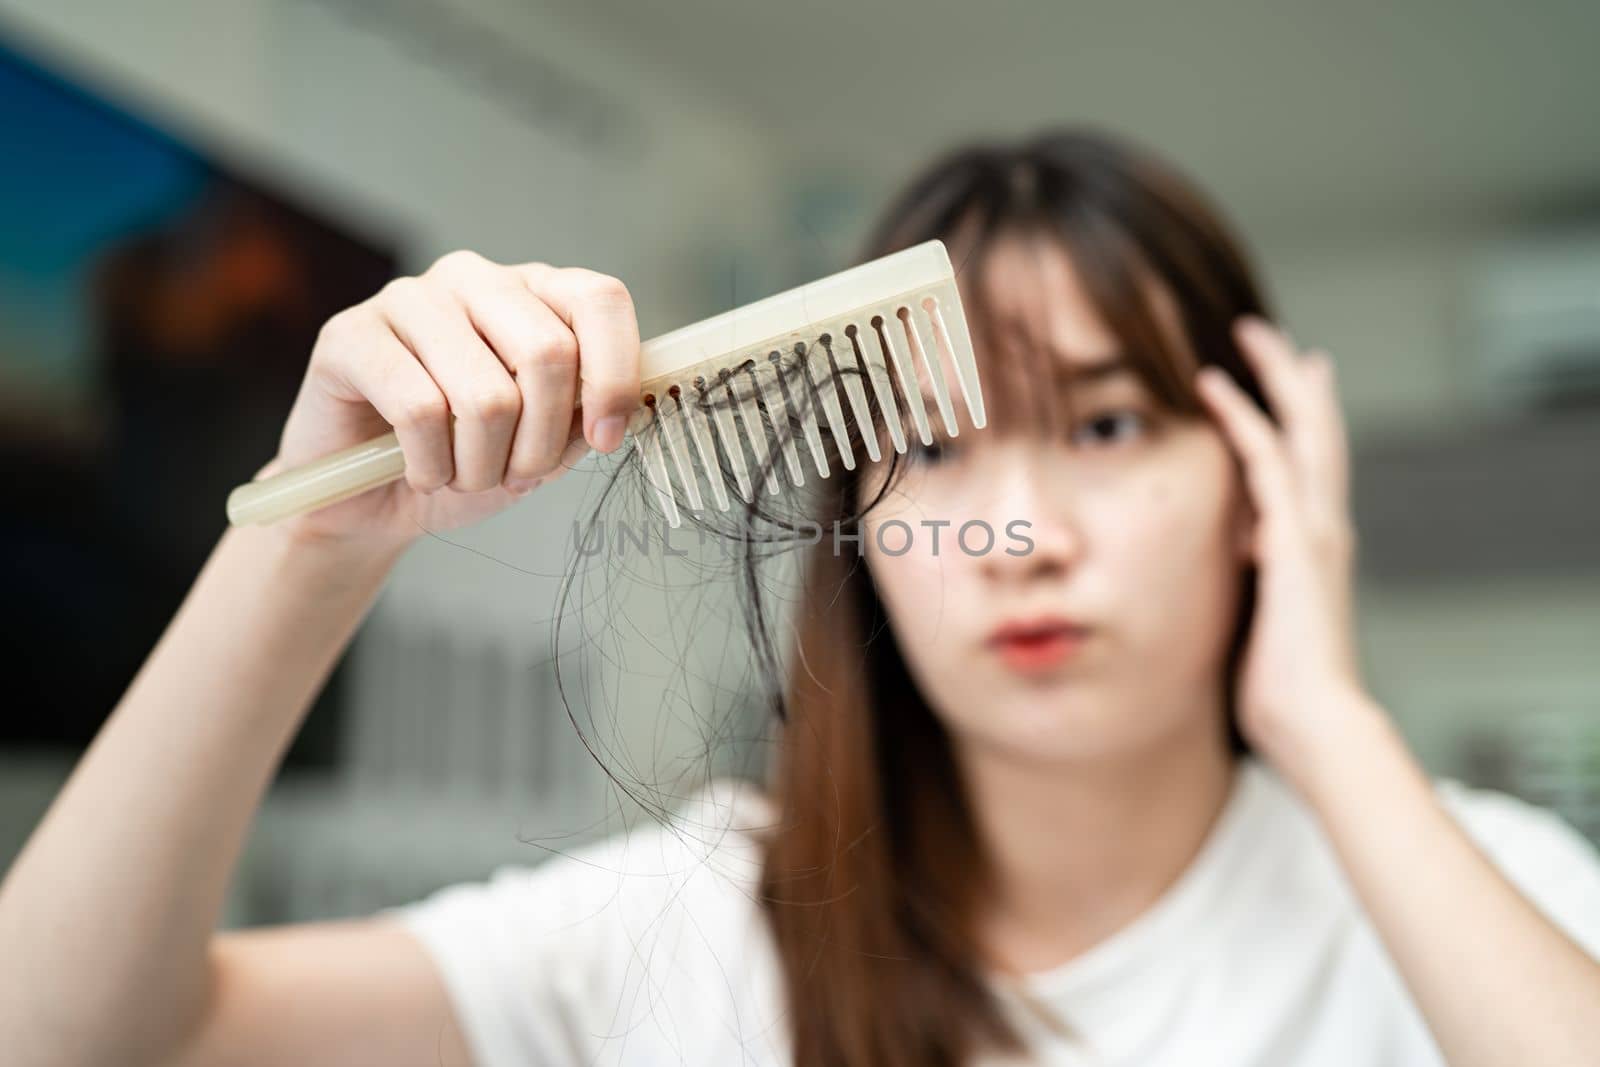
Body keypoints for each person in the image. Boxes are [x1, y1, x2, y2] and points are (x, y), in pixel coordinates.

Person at [2, 129, 1598, 1067]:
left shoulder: (1468, 897)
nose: (1023, 532)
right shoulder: (699, 918)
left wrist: (1325, 722)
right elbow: (64, 1036)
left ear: (1259, 466)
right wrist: (304, 550)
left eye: (1108, 424)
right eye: (933, 446)